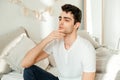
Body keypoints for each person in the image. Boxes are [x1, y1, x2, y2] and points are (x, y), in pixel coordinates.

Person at [21, 4, 96, 80]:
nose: (61, 22)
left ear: (76, 25)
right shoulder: (55, 42)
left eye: (66, 20)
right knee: (29, 70)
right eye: (60, 19)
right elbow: (25, 63)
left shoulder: (86, 48)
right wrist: (47, 39)